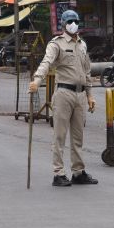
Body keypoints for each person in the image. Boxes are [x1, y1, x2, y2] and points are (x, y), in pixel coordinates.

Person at [28, 10, 97, 187]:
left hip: (80, 95)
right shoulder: (56, 43)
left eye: (76, 21)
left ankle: (78, 172)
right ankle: (58, 173)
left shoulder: (82, 45)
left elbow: (87, 72)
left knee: (78, 137)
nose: (74, 24)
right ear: (64, 24)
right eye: (70, 21)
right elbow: (46, 62)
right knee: (59, 136)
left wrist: (90, 95)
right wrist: (37, 80)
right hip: (63, 93)